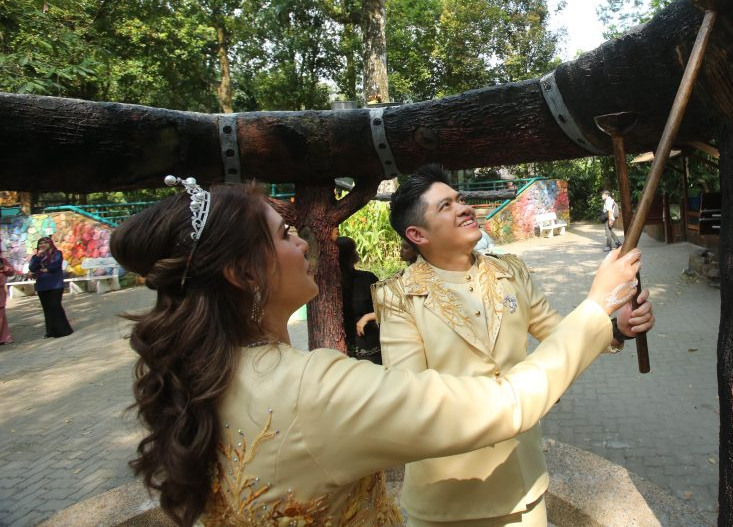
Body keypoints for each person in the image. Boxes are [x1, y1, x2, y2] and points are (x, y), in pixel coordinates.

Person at [111, 176, 642, 527]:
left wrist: (612, 329)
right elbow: (481, 403)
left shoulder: (208, 373)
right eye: (284, 235)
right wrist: (597, 307)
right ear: (242, 272)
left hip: (522, 469)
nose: (304, 244)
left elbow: (552, 330)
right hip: (451, 474)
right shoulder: (368, 324)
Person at [374, 165, 656, 527]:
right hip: (446, 498)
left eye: (460, 200)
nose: (464, 208)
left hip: (522, 483)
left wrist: (615, 326)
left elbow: (558, 335)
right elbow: (411, 399)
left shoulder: (511, 272)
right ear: (417, 234)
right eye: (445, 206)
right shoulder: (398, 297)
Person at [337, 236, 382, 364]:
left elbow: (388, 309)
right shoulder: (331, 285)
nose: (357, 253)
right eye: (354, 250)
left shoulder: (368, 278)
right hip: (347, 348)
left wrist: (367, 317)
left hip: (369, 346)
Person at [28, 236, 73, 338]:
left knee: (55, 306)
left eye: (45, 243)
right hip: (42, 286)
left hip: (55, 285)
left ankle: (63, 330)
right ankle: (50, 331)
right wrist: (39, 257)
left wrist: (45, 269)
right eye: (40, 243)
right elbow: (32, 267)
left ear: (50, 244)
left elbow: (55, 265)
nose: (42, 245)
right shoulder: (36, 257)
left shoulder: (57, 253)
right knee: (47, 308)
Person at [1, 244, 16, 344]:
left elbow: (11, 272)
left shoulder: (2, 261)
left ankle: (4, 337)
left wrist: (4, 268)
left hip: (0, 291)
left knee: (1, 314)